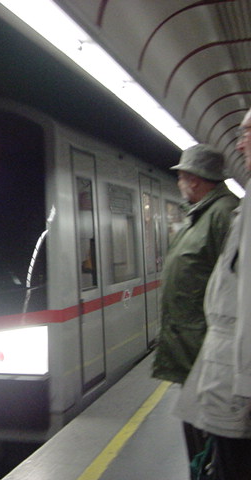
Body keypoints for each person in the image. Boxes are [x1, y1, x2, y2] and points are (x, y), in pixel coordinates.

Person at [174, 108, 251, 479]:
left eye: (247, 133)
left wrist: (245, 384)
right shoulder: (214, 212)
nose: (240, 144)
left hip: (223, 364)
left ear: (194, 179)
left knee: (227, 463)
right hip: (211, 356)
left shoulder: (222, 213)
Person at [152, 143, 239, 462]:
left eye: (181, 176)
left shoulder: (223, 214)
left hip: (205, 352)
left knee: (210, 447)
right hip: (192, 348)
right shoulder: (202, 214)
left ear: (194, 179)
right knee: (198, 439)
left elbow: (234, 285)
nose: (179, 183)